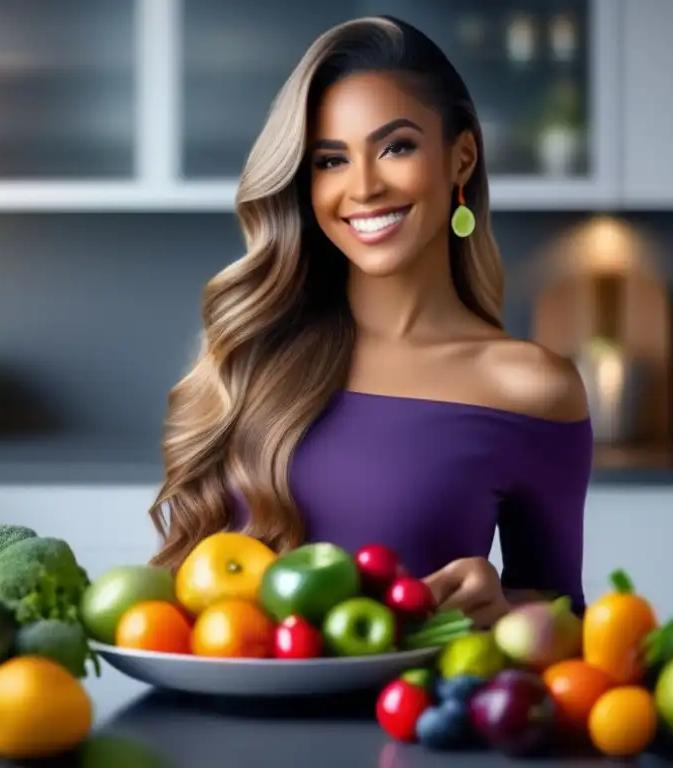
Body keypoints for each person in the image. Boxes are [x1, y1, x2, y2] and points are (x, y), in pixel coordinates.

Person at [148, 16, 592, 628]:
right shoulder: (250, 351)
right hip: (221, 715)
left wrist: (502, 610)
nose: (363, 186)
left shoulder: (530, 386)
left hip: (404, 721)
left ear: (461, 157)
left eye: (396, 147)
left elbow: (568, 623)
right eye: (330, 160)